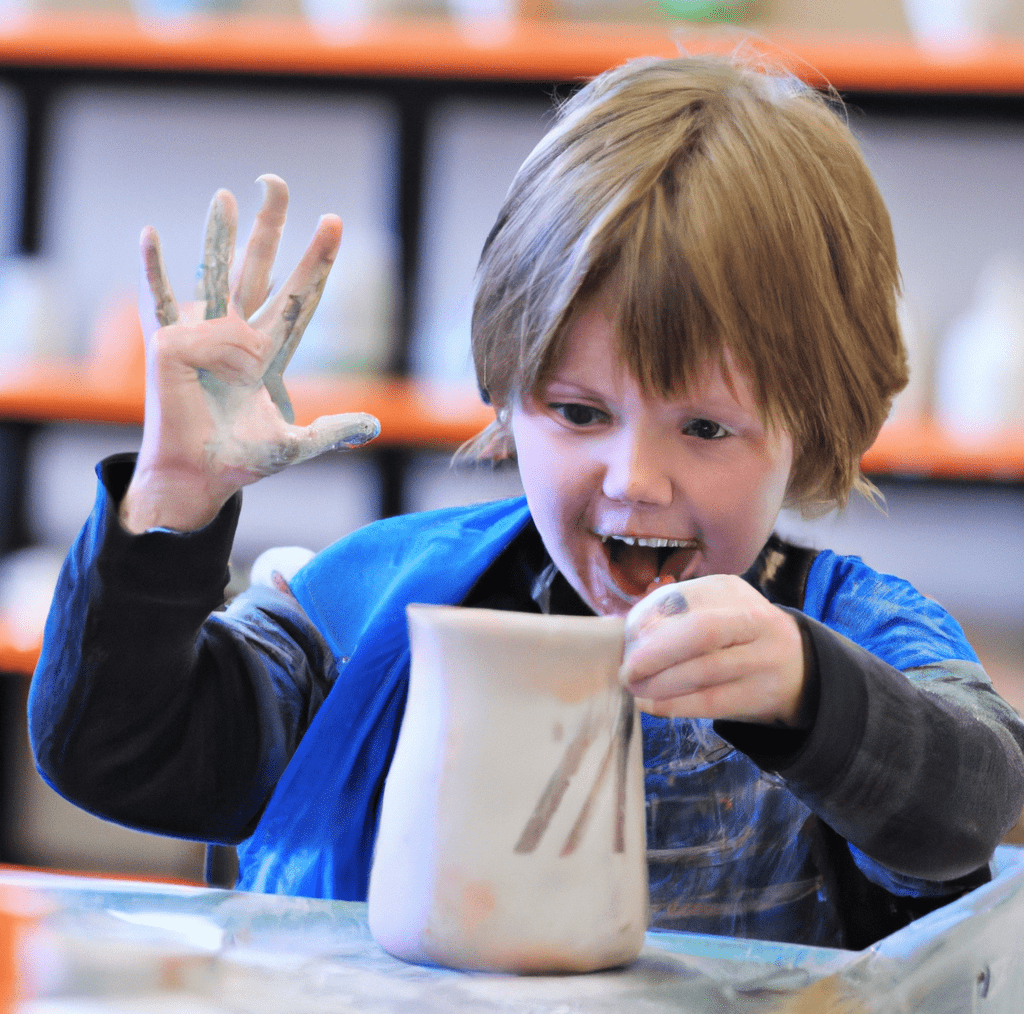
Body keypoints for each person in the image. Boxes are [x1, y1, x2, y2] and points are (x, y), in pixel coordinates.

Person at [29, 54, 1024, 951]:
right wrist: (171, 507)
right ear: (506, 395)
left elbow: (973, 805)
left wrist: (808, 692)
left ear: (813, 424)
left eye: (707, 429)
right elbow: (120, 751)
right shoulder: (379, 608)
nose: (635, 477)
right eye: (580, 411)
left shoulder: (853, 628)